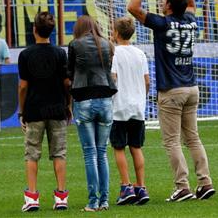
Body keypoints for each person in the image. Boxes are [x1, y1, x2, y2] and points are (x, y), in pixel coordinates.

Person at [127, 0, 215, 202]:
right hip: (191, 87)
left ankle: (182, 187)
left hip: (171, 89)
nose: (163, 3)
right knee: (193, 138)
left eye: (165, 1)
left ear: (168, 7)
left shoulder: (163, 24)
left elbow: (132, 9)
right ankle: (205, 182)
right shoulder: (190, 20)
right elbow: (192, 5)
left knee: (172, 141)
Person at [18, 11, 71, 212]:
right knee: (59, 153)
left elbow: (23, 86)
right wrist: (68, 105)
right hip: (57, 108)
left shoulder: (25, 55)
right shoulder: (60, 53)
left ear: (34, 30)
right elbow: (67, 83)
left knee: (32, 154)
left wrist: (21, 110)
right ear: (52, 31)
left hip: (34, 109)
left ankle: (32, 197)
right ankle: (61, 196)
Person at [68, 15, 117, 212]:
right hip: (105, 99)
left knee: (90, 153)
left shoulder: (75, 44)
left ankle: (93, 201)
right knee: (102, 152)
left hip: (84, 99)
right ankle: (104, 200)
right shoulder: (107, 44)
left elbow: (69, 72)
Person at [110, 17, 151, 206]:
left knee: (119, 147)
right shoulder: (140, 53)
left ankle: (126, 186)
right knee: (136, 147)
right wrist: (141, 96)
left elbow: (113, 77)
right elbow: (147, 81)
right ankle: (141, 187)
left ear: (116, 33)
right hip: (137, 106)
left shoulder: (114, 53)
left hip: (119, 106)